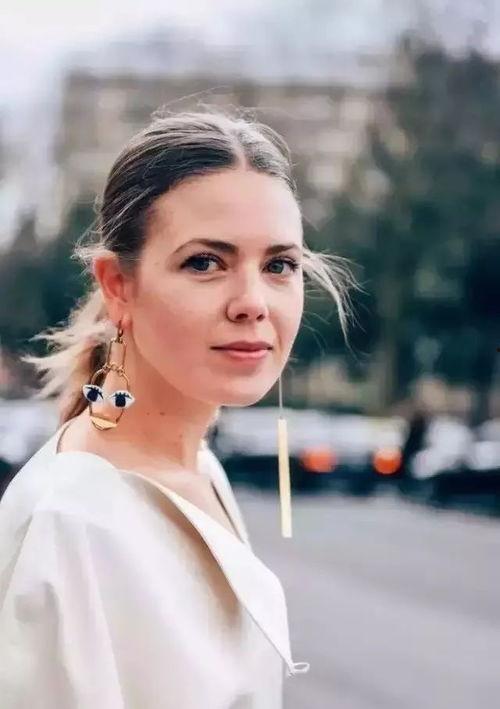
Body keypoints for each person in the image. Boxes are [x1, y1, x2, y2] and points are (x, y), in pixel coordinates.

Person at [0, 107, 357, 707]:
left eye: (279, 265)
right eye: (205, 262)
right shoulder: (68, 522)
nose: (252, 302)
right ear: (118, 285)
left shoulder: (199, 469)